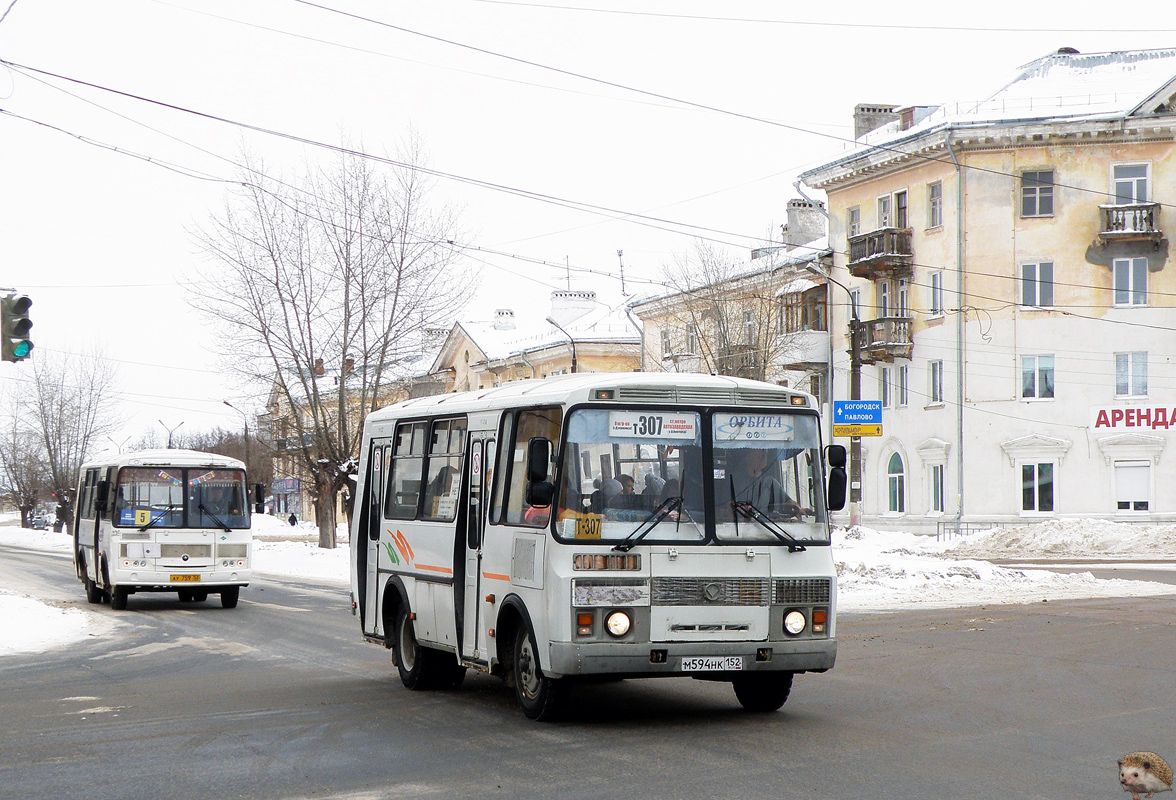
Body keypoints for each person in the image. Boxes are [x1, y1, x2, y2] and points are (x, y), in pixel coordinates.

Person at [732, 448, 805, 520]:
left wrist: (797, 508)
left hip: (767, 526)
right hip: (741, 525)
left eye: (764, 454)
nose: (763, 458)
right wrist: (741, 509)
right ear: (747, 458)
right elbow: (728, 506)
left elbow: (788, 502)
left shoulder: (770, 482)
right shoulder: (736, 481)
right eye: (758, 455)